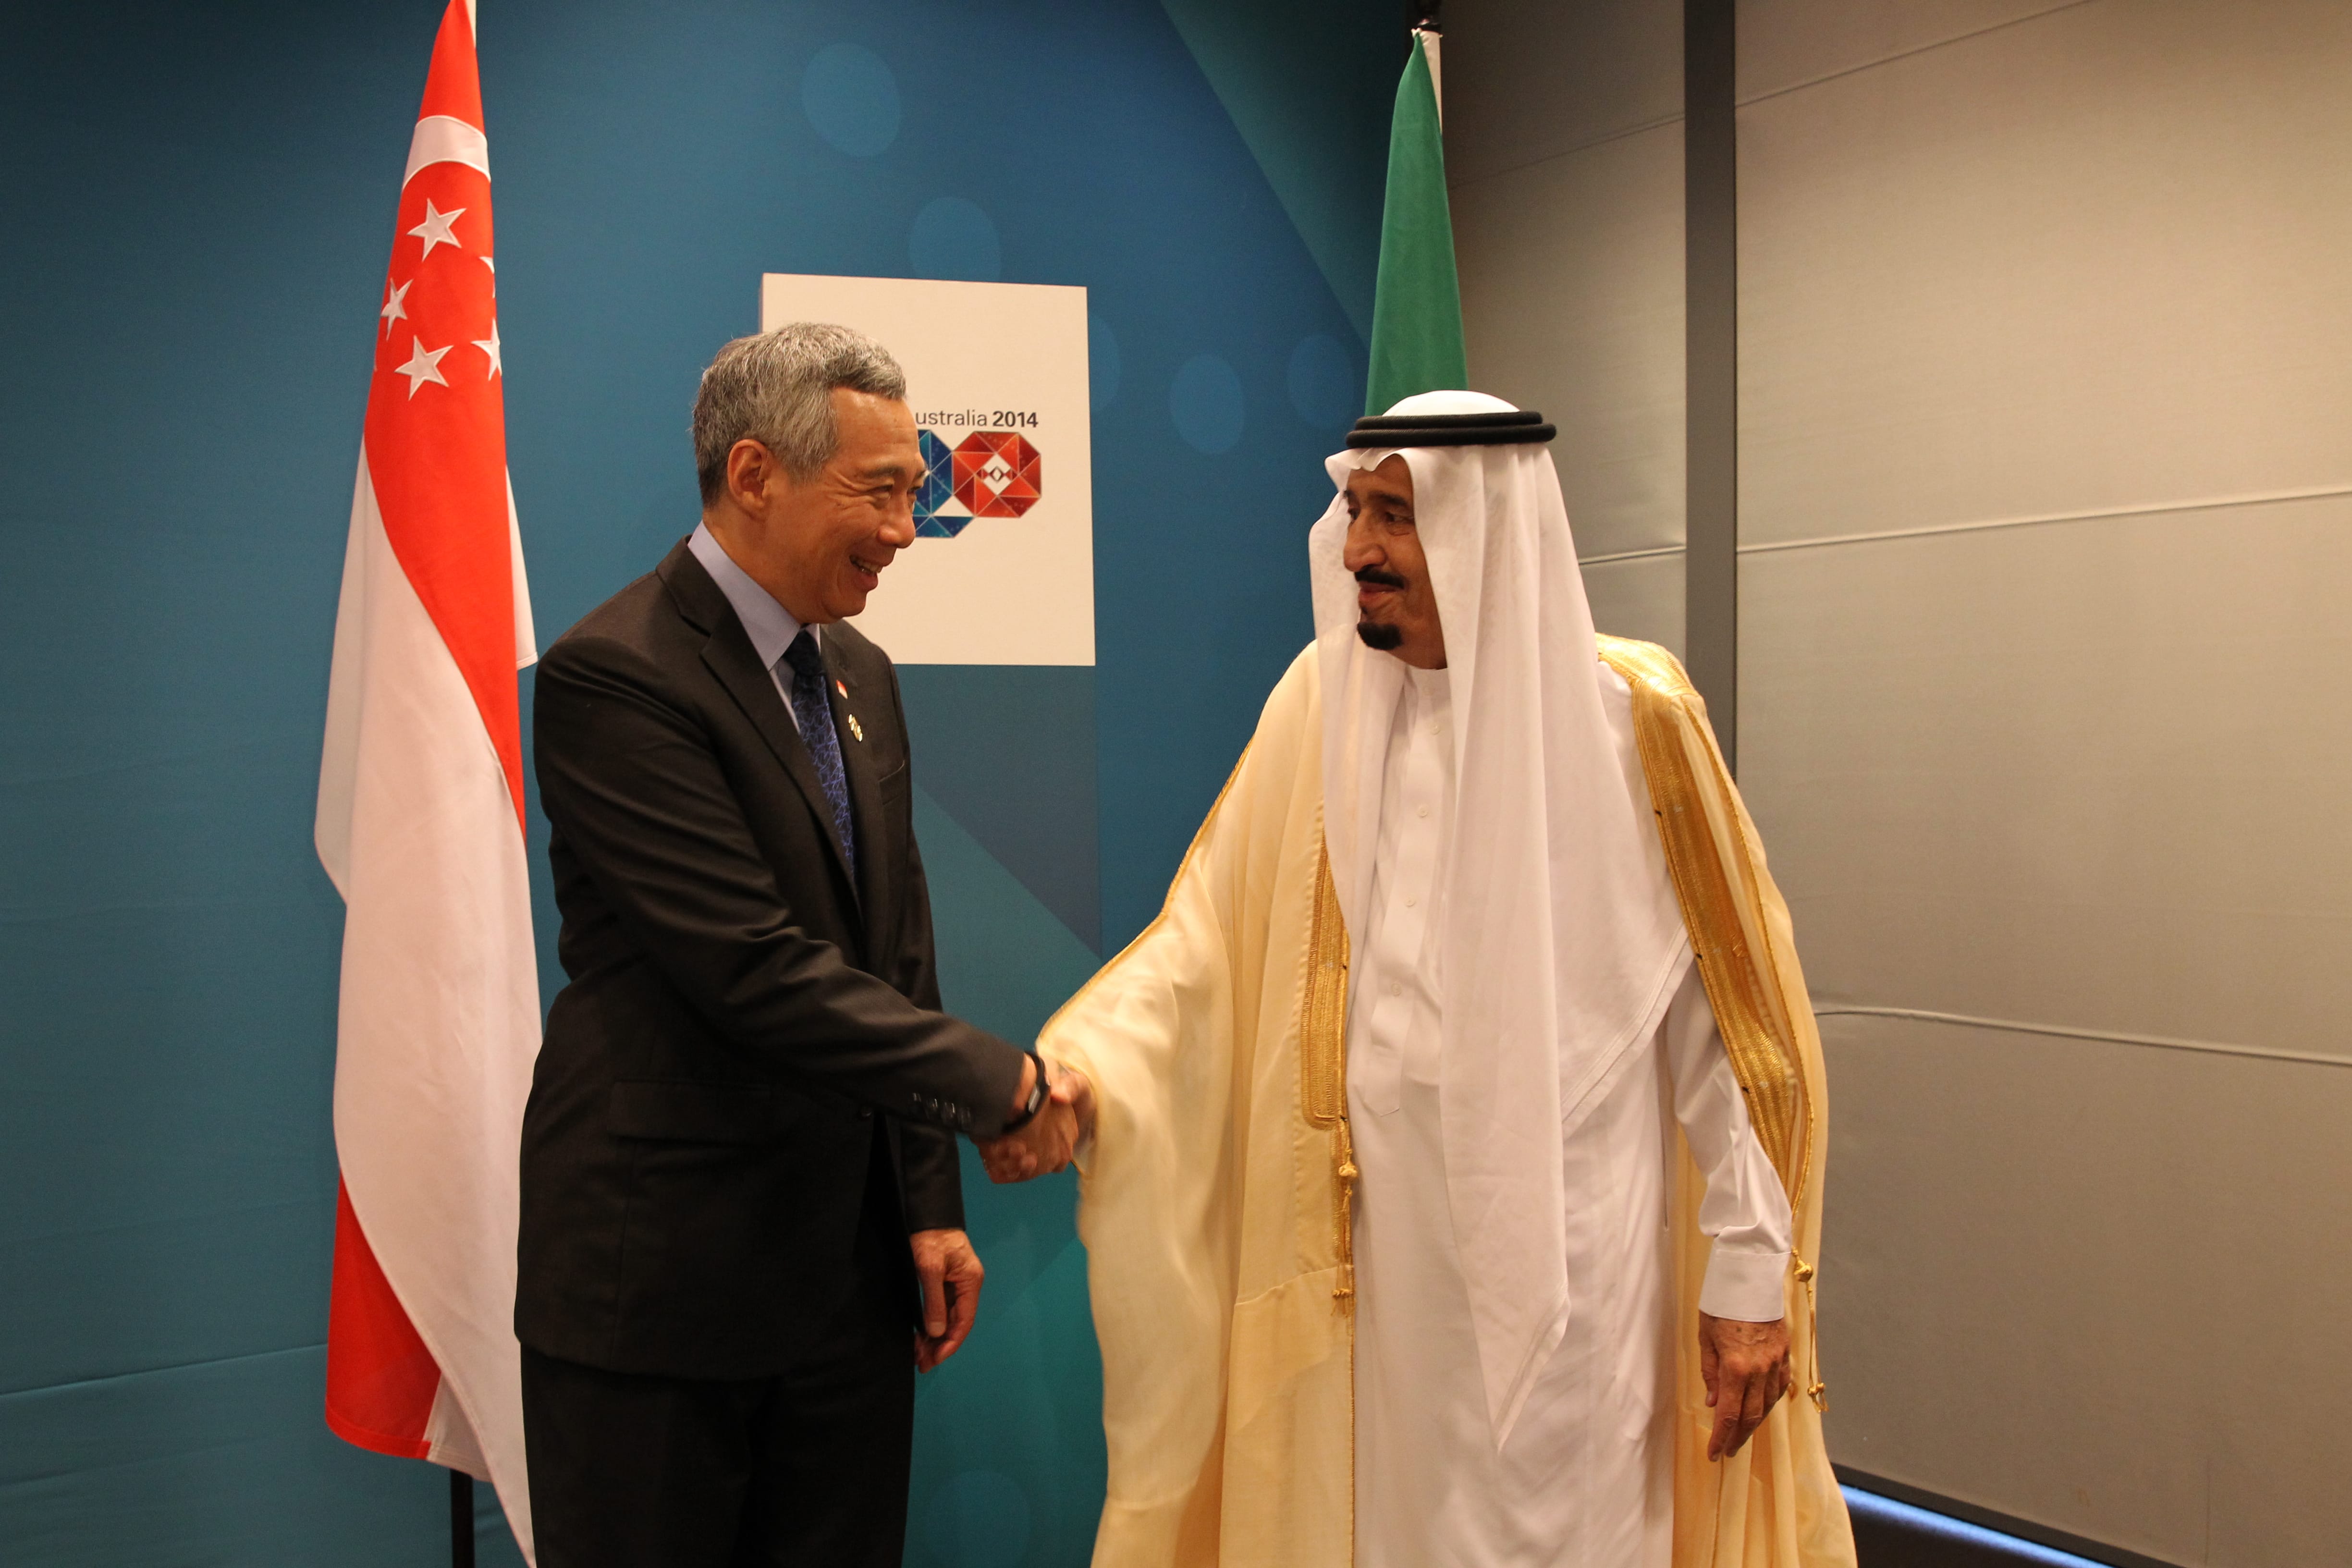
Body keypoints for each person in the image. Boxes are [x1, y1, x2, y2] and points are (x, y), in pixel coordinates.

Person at [991, 393, 1855, 1568]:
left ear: (1485, 530)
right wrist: (1087, 1074)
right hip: (1382, 1274)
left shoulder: (1629, 721)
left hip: (1575, 1266)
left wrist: (1753, 1273)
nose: (1357, 550)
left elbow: (1726, 1029)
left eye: (1393, 517)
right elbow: (1200, 942)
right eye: (1353, 509)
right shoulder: (1324, 699)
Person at [516, 324, 1076, 1567]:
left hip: (846, 1280)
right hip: (659, 1291)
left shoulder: (863, 674)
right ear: (756, 474)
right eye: (880, 492)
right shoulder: (614, 675)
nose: (904, 528)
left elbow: (897, 947)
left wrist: (925, 1202)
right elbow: (752, 968)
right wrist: (1003, 1083)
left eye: (918, 494)